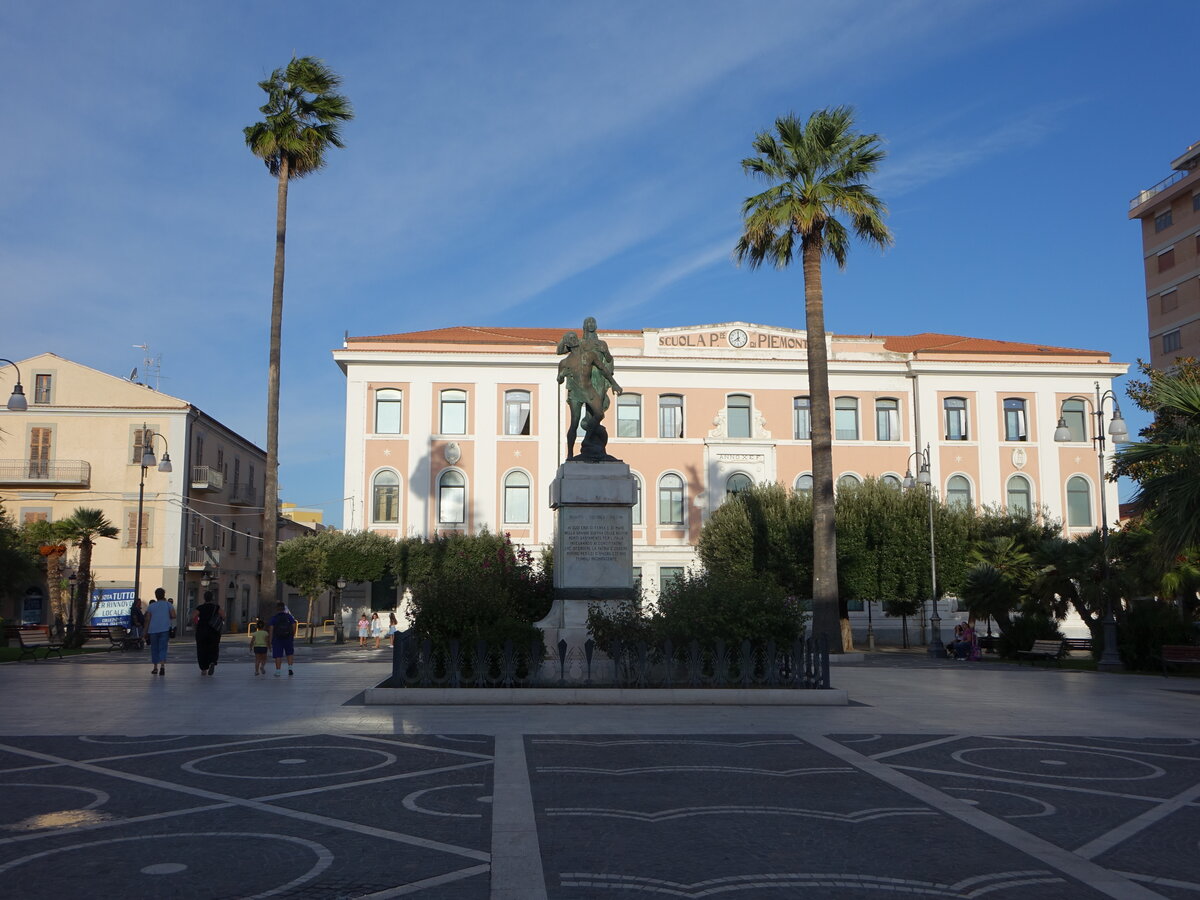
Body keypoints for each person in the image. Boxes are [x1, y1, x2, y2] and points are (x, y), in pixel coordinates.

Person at [191, 590, 223, 676]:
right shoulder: (216, 607)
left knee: (202, 649)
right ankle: (212, 661)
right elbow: (224, 615)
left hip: (202, 630)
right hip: (214, 631)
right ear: (212, 598)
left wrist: (196, 624)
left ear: (204, 598)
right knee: (213, 647)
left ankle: (204, 669)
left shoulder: (200, 608)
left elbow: (193, 616)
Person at [144, 587, 175, 676]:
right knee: (163, 648)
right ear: (164, 595)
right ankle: (162, 666)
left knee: (154, 648)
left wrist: (145, 631)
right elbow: (173, 615)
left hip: (153, 630)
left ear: (156, 596)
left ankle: (155, 667)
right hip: (164, 629)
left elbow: (147, 619)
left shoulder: (151, 606)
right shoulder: (168, 605)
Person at [268, 602, 298, 677]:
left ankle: (278, 671)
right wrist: (292, 634)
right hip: (288, 637)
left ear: (276, 609)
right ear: (284, 608)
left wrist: (270, 640)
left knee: (278, 655)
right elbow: (294, 625)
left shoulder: (274, 618)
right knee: (289, 653)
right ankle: (290, 668)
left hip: (277, 639)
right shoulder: (289, 617)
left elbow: (271, 629)